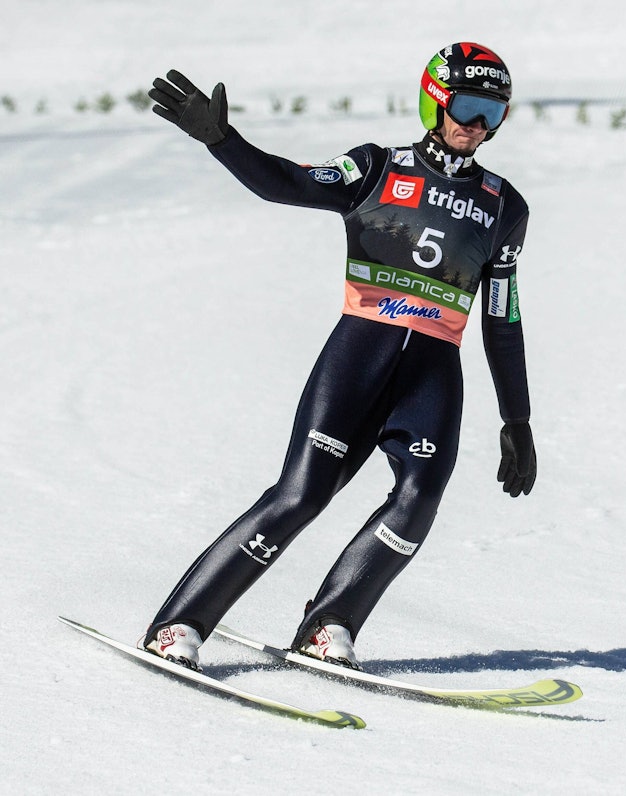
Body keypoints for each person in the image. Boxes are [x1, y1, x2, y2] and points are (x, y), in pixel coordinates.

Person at [139, 42, 537, 672]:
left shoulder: (504, 206)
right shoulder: (376, 167)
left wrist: (518, 421)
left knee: (419, 501)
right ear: (435, 100)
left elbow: (504, 322)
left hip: (433, 373)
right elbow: (288, 184)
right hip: (360, 355)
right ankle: (178, 626)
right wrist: (223, 141)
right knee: (301, 496)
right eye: (466, 105)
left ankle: (329, 627)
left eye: (493, 111)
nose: (477, 124)